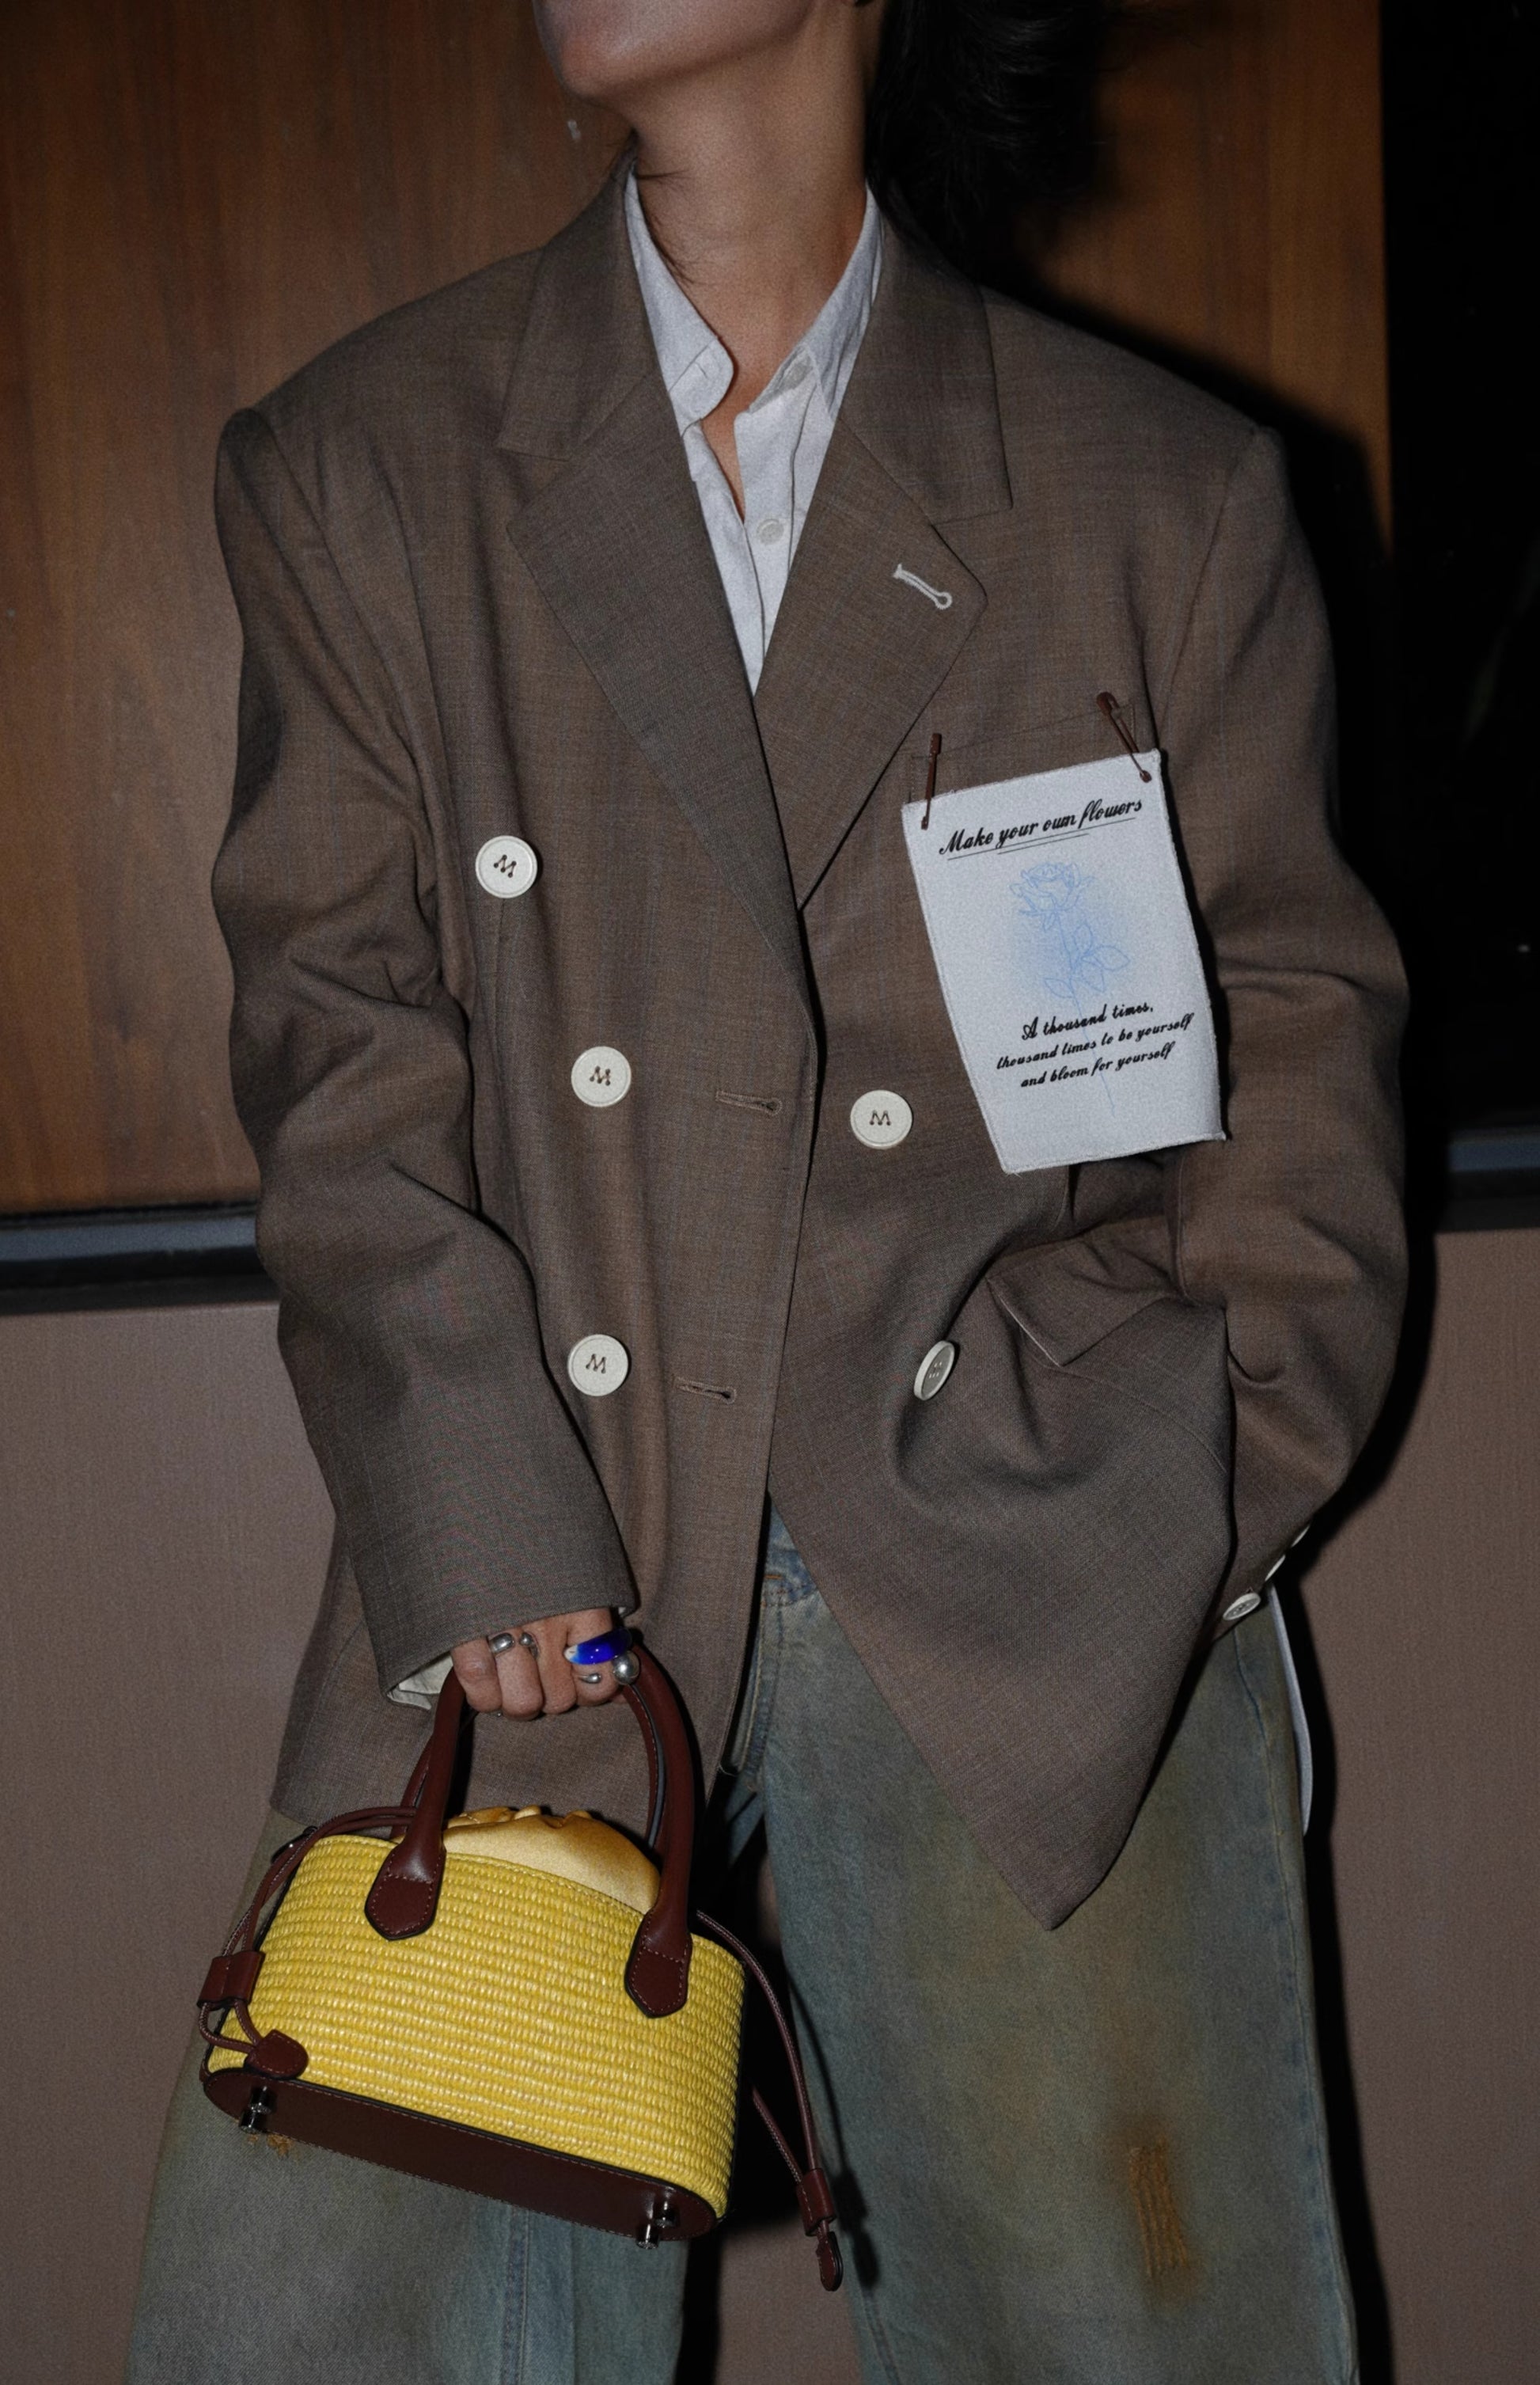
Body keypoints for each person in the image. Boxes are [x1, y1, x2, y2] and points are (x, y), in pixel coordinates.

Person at [127, 1, 1406, 2379]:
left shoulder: (1153, 489)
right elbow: (339, 1046)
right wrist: (470, 1507)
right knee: (343, 2331)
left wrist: (1197, 1490)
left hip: (1038, 1576)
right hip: (544, 1584)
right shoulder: (368, 463)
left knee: (1122, 2336)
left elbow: (1297, 1042)